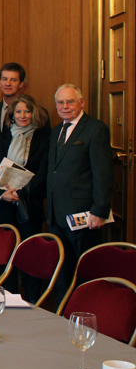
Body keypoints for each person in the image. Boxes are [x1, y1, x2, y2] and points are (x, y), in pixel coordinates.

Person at [47, 84, 113, 297]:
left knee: (85, 269)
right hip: (57, 214)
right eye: (60, 102)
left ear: (81, 103)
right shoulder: (57, 130)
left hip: (84, 214)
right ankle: (62, 313)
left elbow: (103, 172)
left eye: (70, 101)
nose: (65, 106)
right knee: (63, 269)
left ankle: (87, 315)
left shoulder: (95, 128)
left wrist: (99, 210)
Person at [0, 94, 49, 301]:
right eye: (19, 111)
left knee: (30, 254)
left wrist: (21, 193)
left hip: (30, 204)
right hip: (4, 203)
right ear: (12, 115)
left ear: (34, 114)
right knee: (6, 252)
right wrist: (1, 194)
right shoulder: (1, 138)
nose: (23, 115)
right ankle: (8, 296)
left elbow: (43, 173)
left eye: (27, 111)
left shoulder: (43, 140)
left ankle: (32, 299)